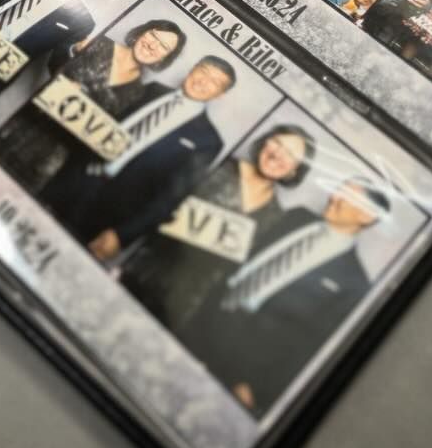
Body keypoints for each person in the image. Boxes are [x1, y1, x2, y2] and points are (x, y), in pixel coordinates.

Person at [181, 178, 388, 415]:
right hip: (204, 316)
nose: (334, 197)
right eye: (338, 190)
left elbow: (307, 348)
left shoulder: (354, 284)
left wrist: (257, 390)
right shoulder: (296, 217)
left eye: (347, 197)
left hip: (243, 361)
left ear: (367, 216)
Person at [119, 124, 315, 333]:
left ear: (295, 170)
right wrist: (120, 236)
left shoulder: (275, 214)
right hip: (144, 275)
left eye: (291, 154)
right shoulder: (216, 165)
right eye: (277, 142)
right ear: (265, 142)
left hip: (185, 310)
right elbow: (161, 205)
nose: (278, 154)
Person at [49, 55, 238, 262]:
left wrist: (122, 235)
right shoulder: (151, 90)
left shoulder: (208, 140)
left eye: (214, 82)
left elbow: (169, 199)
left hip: (109, 214)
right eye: (203, 72)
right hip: (71, 178)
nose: (203, 82)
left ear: (220, 94)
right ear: (193, 69)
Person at [0, 20, 185, 195]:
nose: (153, 45)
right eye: (153, 35)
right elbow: (57, 59)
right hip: (24, 128)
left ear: (164, 58)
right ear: (142, 32)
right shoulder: (98, 42)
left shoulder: (138, 91)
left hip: (56, 156)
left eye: (163, 46)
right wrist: (73, 51)